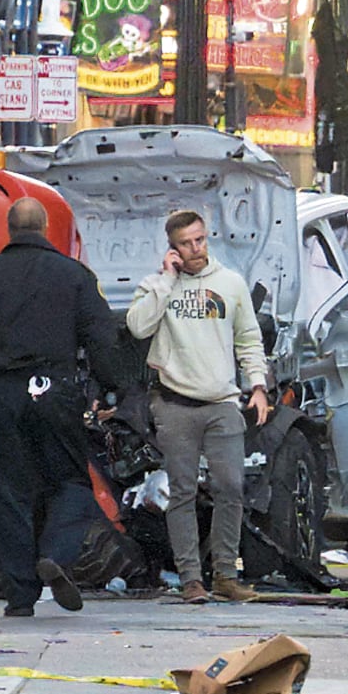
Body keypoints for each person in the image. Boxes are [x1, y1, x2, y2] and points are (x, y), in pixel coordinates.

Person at [0, 196, 132, 618]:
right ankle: (56, 554)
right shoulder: (75, 275)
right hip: (55, 389)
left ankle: (20, 597)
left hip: (3, 394)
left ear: (10, 230)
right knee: (70, 482)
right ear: (43, 228)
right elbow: (101, 337)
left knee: (9, 493)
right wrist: (110, 389)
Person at [126, 208, 272, 605]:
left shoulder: (231, 283)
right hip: (174, 403)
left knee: (231, 487)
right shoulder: (156, 285)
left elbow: (248, 338)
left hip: (222, 400)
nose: (196, 248)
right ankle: (191, 578)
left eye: (200, 239)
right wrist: (167, 280)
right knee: (182, 491)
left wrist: (258, 386)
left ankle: (225, 574)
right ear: (172, 248)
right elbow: (138, 327)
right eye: (186, 243)